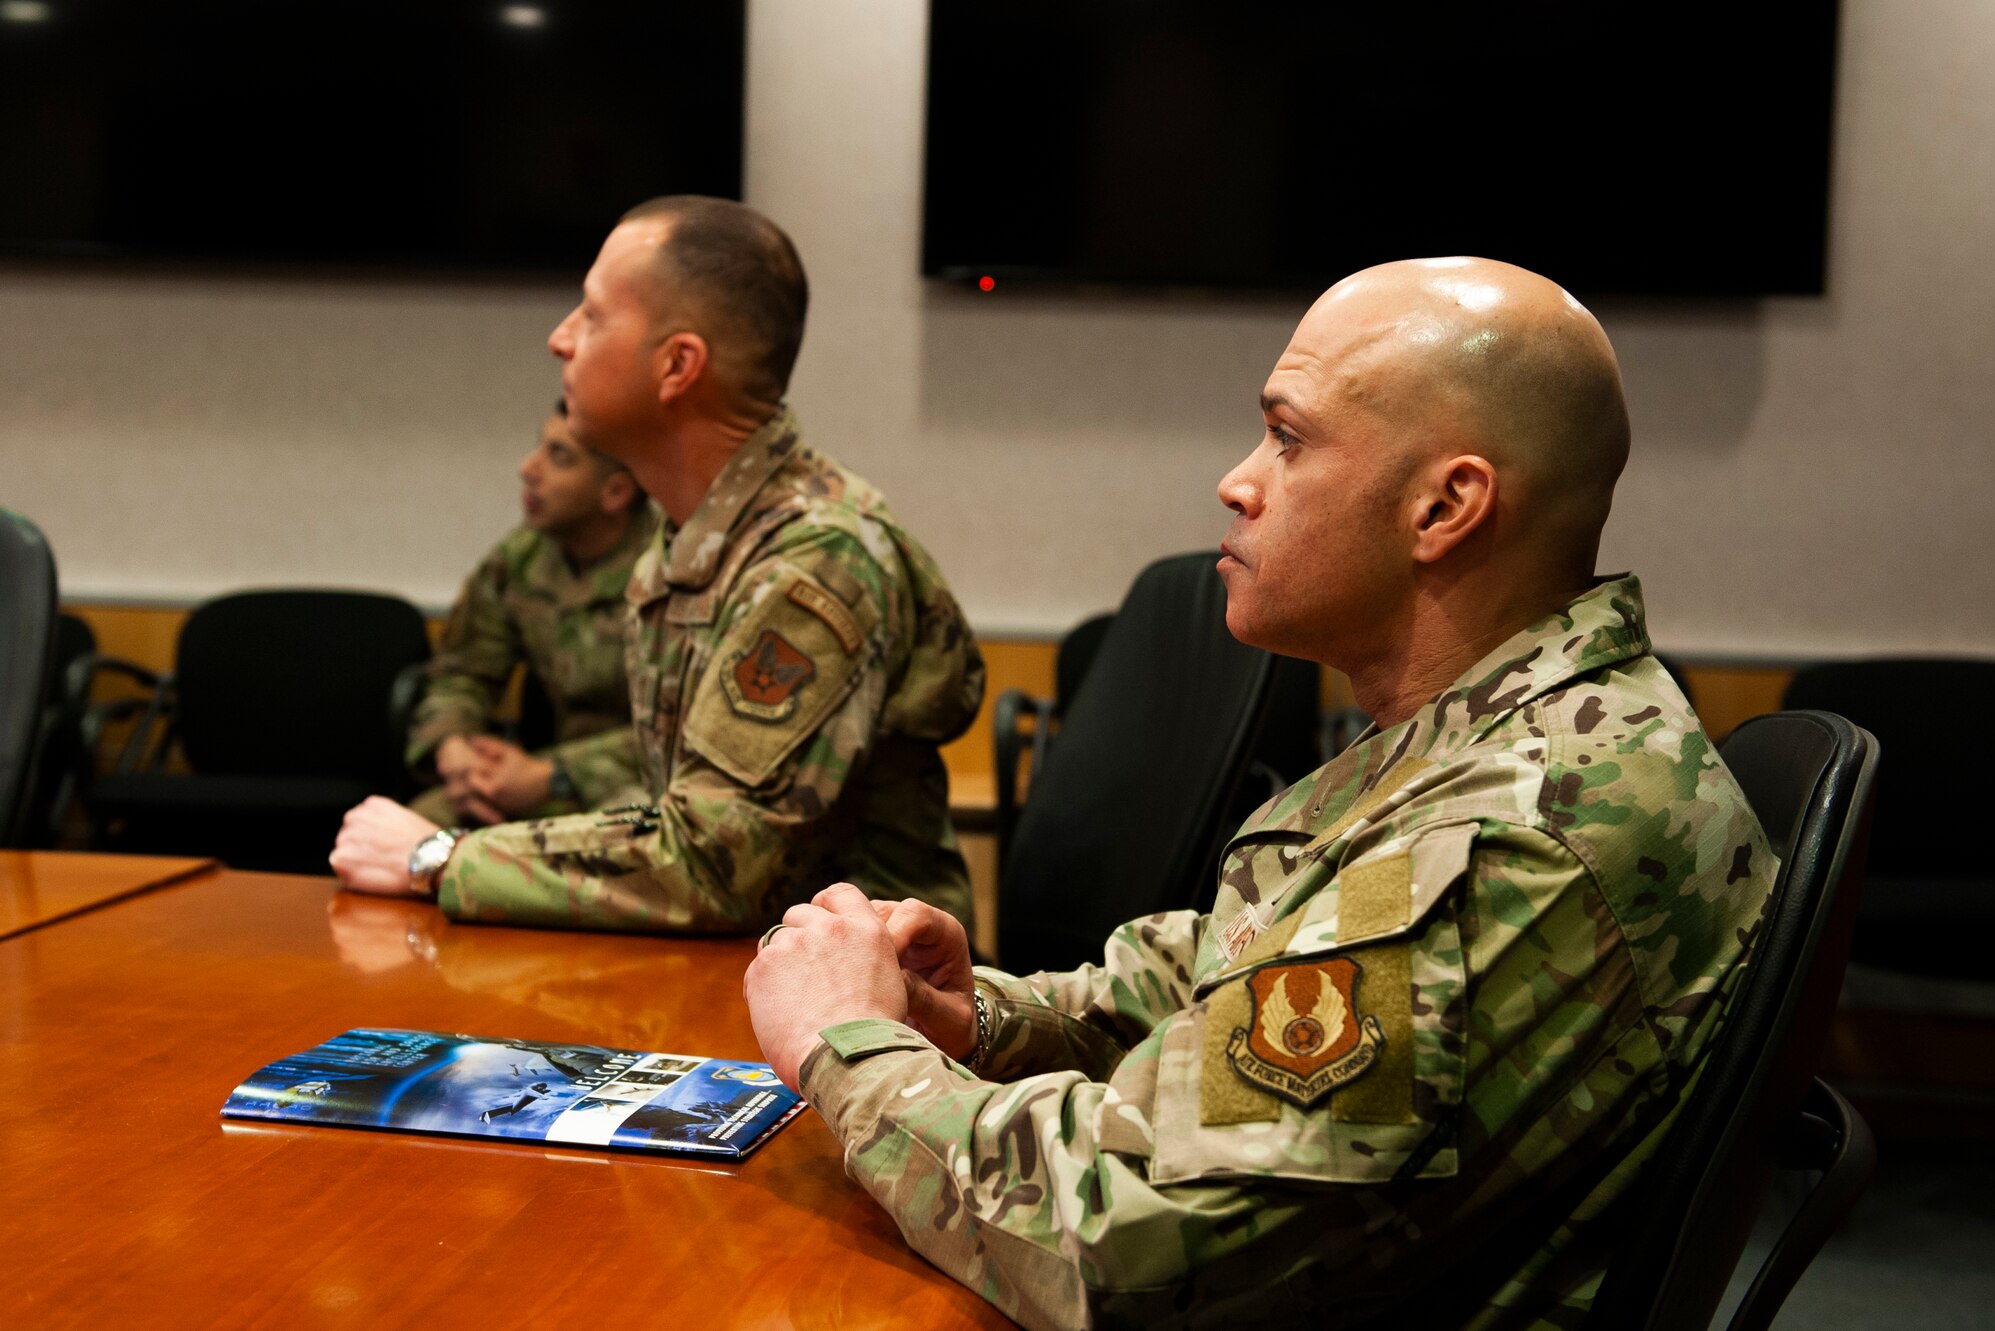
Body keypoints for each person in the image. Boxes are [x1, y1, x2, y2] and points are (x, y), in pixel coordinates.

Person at [743, 257, 1778, 1328]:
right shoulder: (1486, 732)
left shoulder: (1507, 837)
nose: (1238, 482)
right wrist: (983, 1017)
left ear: (1444, 505)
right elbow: (1228, 980)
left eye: (1287, 439)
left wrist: (847, 1042)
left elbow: (1132, 1241)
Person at [331, 196, 983, 934]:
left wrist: (442, 856)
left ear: (677, 365)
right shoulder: (692, 535)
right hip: (736, 967)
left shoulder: (816, 559)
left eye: (592, 315)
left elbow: (711, 863)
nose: (559, 338)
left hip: (863, 1010)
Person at [405, 400, 657, 829]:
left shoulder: (673, 564)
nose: (528, 469)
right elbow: (464, 672)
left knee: (617, 844)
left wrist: (554, 774)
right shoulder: (520, 560)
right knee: (413, 835)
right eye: (538, 448)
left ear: (615, 492)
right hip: (529, 779)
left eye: (558, 457)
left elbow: (689, 735)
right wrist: (455, 750)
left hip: (645, 786)